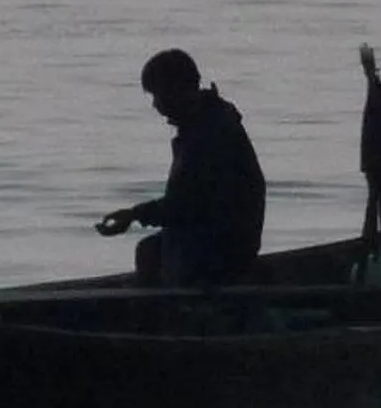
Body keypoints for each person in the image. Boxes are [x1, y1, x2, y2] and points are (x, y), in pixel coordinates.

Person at [96, 48, 266, 287]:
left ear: (179, 89)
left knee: (152, 252)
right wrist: (136, 214)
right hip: (223, 238)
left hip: (224, 245)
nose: (156, 105)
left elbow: (184, 206)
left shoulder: (210, 134)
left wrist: (135, 214)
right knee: (151, 250)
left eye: (158, 95)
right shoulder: (207, 124)